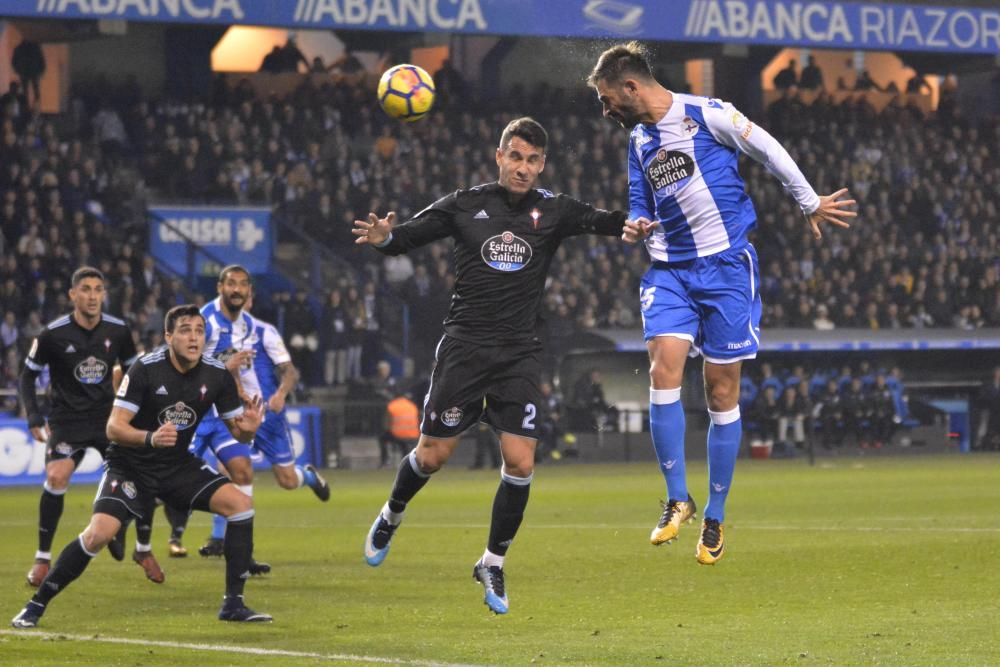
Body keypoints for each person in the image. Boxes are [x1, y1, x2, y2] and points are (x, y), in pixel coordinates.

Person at [588, 42, 855, 564]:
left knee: (719, 388)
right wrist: (635, 222)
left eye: (606, 99)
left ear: (631, 87)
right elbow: (640, 197)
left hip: (727, 268)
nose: (606, 110)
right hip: (669, 270)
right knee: (662, 368)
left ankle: (714, 513)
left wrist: (809, 201)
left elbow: (768, 148)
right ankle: (676, 500)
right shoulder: (639, 139)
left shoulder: (708, 115)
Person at [352, 116, 626, 614]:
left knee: (521, 463)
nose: (524, 168)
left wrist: (634, 225)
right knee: (432, 457)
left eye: (533, 160)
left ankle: (492, 562)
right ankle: (392, 512)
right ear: (499, 156)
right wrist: (384, 239)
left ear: (543, 165)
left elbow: (605, 220)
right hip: (464, 350)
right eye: (516, 157)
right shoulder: (464, 204)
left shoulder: (554, 210)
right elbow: (409, 235)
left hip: (519, 354)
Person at [11, 305, 269, 628]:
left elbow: (239, 435)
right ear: (168, 336)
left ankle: (233, 604)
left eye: (199, 331)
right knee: (98, 535)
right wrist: (150, 438)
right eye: (186, 330)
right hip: (131, 465)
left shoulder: (216, 374)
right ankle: (36, 605)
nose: (194, 337)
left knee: (241, 506)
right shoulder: (146, 369)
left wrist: (251, 427)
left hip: (176, 466)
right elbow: (114, 428)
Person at [17, 266, 164, 587]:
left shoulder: (119, 330)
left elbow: (132, 374)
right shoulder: (52, 334)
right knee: (56, 475)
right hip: (66, 420)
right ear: (73, 295)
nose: (93, 295)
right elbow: (27, 376)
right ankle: (42, 558)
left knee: (142, 475)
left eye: (98, 289)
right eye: (86, 289)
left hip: (107, 417)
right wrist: (33, 416)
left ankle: (143, 548)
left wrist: (141, 412)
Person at [177, 267, 329, 562]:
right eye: (232, 287)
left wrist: (280, 395)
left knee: (286, 480)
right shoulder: (207, 325)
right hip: (232, 414)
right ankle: (223, 539)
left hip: (268, 416)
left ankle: (306, 477)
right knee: (234, 469)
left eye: (244, 289)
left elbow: (289, 371)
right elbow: (197, 366)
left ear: (250, 297)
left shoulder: (264, 332)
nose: (240, 297)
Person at [379, 390, 420, 468]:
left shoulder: (391, 406)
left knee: (382, 439)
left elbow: (386, 424)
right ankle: (408, 464)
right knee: (406, 448)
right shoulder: (412, 406)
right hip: (414, 436)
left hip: (398, 435)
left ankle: (385, 460)